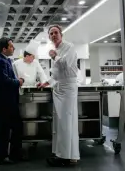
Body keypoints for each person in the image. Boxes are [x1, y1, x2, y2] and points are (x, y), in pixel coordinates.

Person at [38, 25, 80, 166]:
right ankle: (65, 154)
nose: (53, 35)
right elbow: (56, 74)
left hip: (67, 88)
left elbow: (66, 66)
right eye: (51, 33)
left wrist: (54, 56)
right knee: (60, 122)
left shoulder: (69, 47)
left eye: (56, 32)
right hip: (59, 87)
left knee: (66, 122)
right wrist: (47, 82)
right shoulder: (55, 50)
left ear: (61, 34)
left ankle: (65, 157)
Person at [0, 37, 24, 165]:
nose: (13, 48)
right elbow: (4, 81)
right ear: (4, 49)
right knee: (5, 130)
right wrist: (19, 82)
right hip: (5, 101)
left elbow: (8, 78)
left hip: (9, 100)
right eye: (11, 46)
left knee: (16, 127)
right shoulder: (0, 61)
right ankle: (3, 157)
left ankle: (14, 154)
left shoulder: (6, 60)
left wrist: (17, 80)